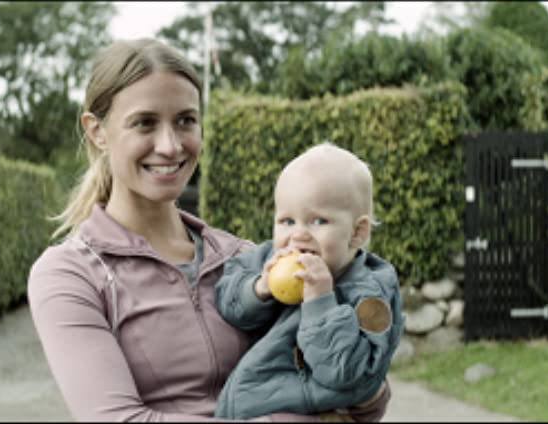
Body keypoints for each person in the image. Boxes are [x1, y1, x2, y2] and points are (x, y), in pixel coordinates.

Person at [26, 38, 392, 422]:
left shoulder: (245, 261)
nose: (169, 146)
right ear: (97, 130)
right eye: (144, 123)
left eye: (185, 120)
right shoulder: (70, 274)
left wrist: (364, 384)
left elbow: (331, 389)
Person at [213, 144, 404, 419]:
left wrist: (321, 303)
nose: (298, 236)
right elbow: (227, 303)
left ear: (357, 232)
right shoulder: (267, 259)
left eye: (318, 221)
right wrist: (259, 289)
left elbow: (347, 374)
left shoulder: (370, 294)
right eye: (287, 221)